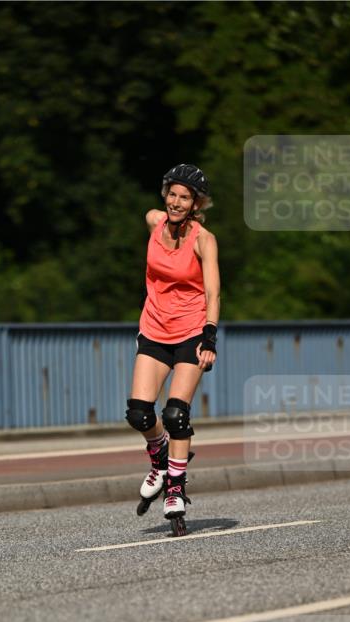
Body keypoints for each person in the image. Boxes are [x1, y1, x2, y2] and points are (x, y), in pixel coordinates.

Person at [125, 163, 220, 530]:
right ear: (165, 195)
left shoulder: (203, 239)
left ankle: (175, 489)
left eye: (185, 197)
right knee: (140, 415)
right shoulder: (153, 221)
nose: (177, 202)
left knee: (177, 414)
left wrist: (209, 336)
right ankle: (159, 456)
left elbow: (213, 291)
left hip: (192, 332)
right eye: (173, 194)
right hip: (154, 328)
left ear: (196, 204)